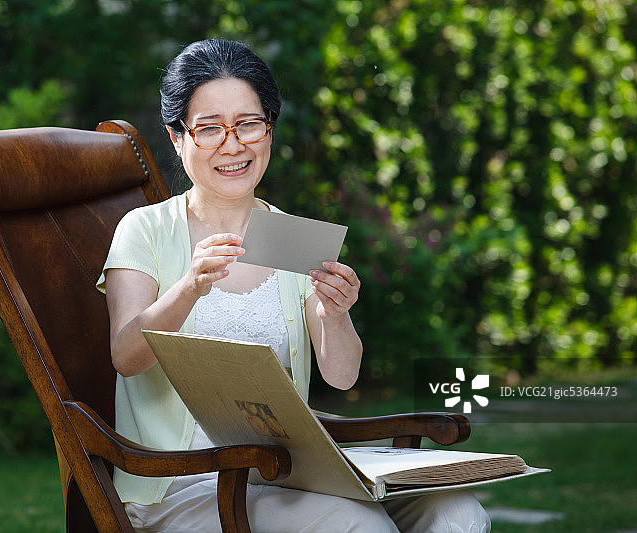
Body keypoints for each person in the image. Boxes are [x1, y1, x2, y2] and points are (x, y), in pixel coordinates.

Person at [98, 37, 490, 533]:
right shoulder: (146, 229)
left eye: (249, 125)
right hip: (184, 485)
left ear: (269, 131)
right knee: (356, 526)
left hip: (283, 474)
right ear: (178, 138)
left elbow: (343, 375)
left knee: (458, 512)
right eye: (210, 129)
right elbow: (126, 357)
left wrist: (334, 313)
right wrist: (189, 286)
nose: (233, 144)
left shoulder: (291, 235)